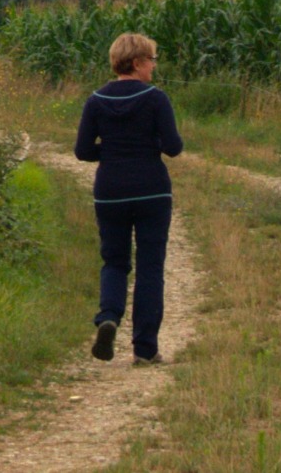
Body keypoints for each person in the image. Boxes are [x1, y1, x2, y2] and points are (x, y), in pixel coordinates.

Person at [74, 33, 183, 366]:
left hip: (110, 191)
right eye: (151, 60)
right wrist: (147, 145)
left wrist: (110, 150)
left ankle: (108, 316)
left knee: (115, 261)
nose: (153, 66)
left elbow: (82, 151)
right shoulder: (156, 98)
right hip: (152, 190)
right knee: (150, 267)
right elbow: (173, 146)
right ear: (137, 63)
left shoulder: (95, 100)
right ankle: (145, 349)